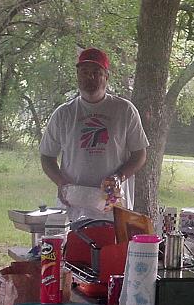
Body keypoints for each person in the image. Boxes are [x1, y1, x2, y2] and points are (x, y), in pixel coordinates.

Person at [40, 47, 149, 222]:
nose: (90, 77)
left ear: (106, 76)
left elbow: (140, 154)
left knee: (112, 249)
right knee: (73, 247)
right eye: (84, 72)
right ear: (77, 76)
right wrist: (61, 182)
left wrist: (119, 177)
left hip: (112, 203)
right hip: (73, 204)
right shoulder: (64, 113)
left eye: (96, 72)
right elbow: (46, 156)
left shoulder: (125, 110)